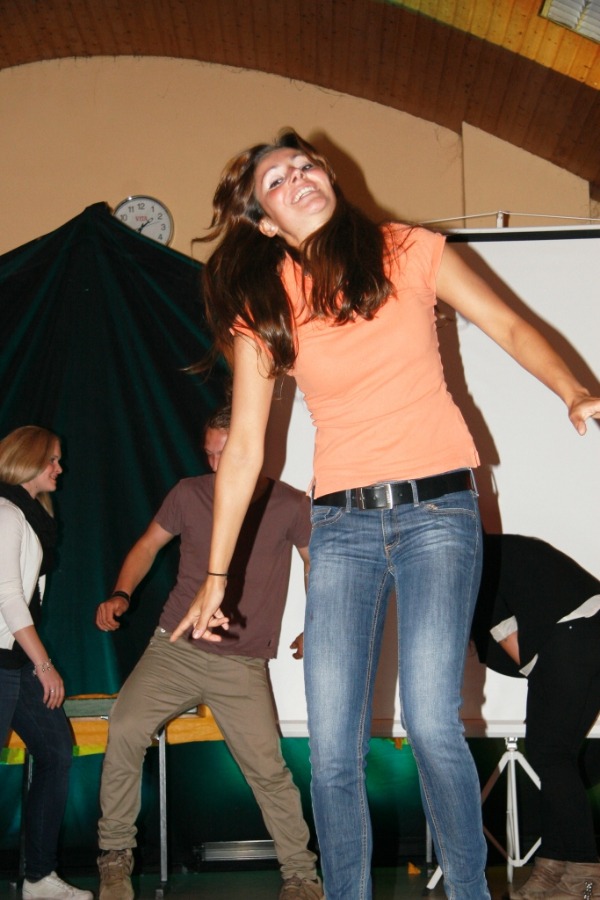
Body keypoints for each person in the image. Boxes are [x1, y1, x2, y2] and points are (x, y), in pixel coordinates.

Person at [169, 129, 600, 900]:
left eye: (305, 165)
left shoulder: (409, 251)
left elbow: (507, 324)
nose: (298, 178)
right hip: (343, 529)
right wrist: (215, 575)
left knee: (431, 721)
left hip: (440, 512)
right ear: (263, 221)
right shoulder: (266, 303)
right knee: (334, 747)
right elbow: (245, 451)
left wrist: (572, 388)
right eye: (276, 181)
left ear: (330, 178)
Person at [95, 405, 322, 900]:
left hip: (240, 662)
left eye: (225, 453)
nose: (217, 464)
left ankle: (302, 876)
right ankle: (114, 856)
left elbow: (314, 563)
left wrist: (317, 624)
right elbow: (147, 546)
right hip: (174, 648)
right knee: (125, 727)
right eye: (210, 454)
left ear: (251, 449)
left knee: (268, 770)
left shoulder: (289, 504)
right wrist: (121, 594)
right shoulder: (189, 493)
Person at [472, 533, 600, 900]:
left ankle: (586, 878)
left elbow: (509, 637)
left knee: (551, 755)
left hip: (570, 635)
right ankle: (552, 867)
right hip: (581, 632)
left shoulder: (473, 561)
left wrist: (543, 680)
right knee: (556, 758)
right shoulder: (497, 550)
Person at [0, 426, 93, 900]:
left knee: (56, 751)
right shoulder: (5, 512)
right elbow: (7, 596)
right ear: (29, 460)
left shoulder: (30, 515)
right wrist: (44, 664)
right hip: (8, 661)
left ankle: (38, 878)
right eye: (53, 459)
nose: (60, 468)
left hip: (14, 661)